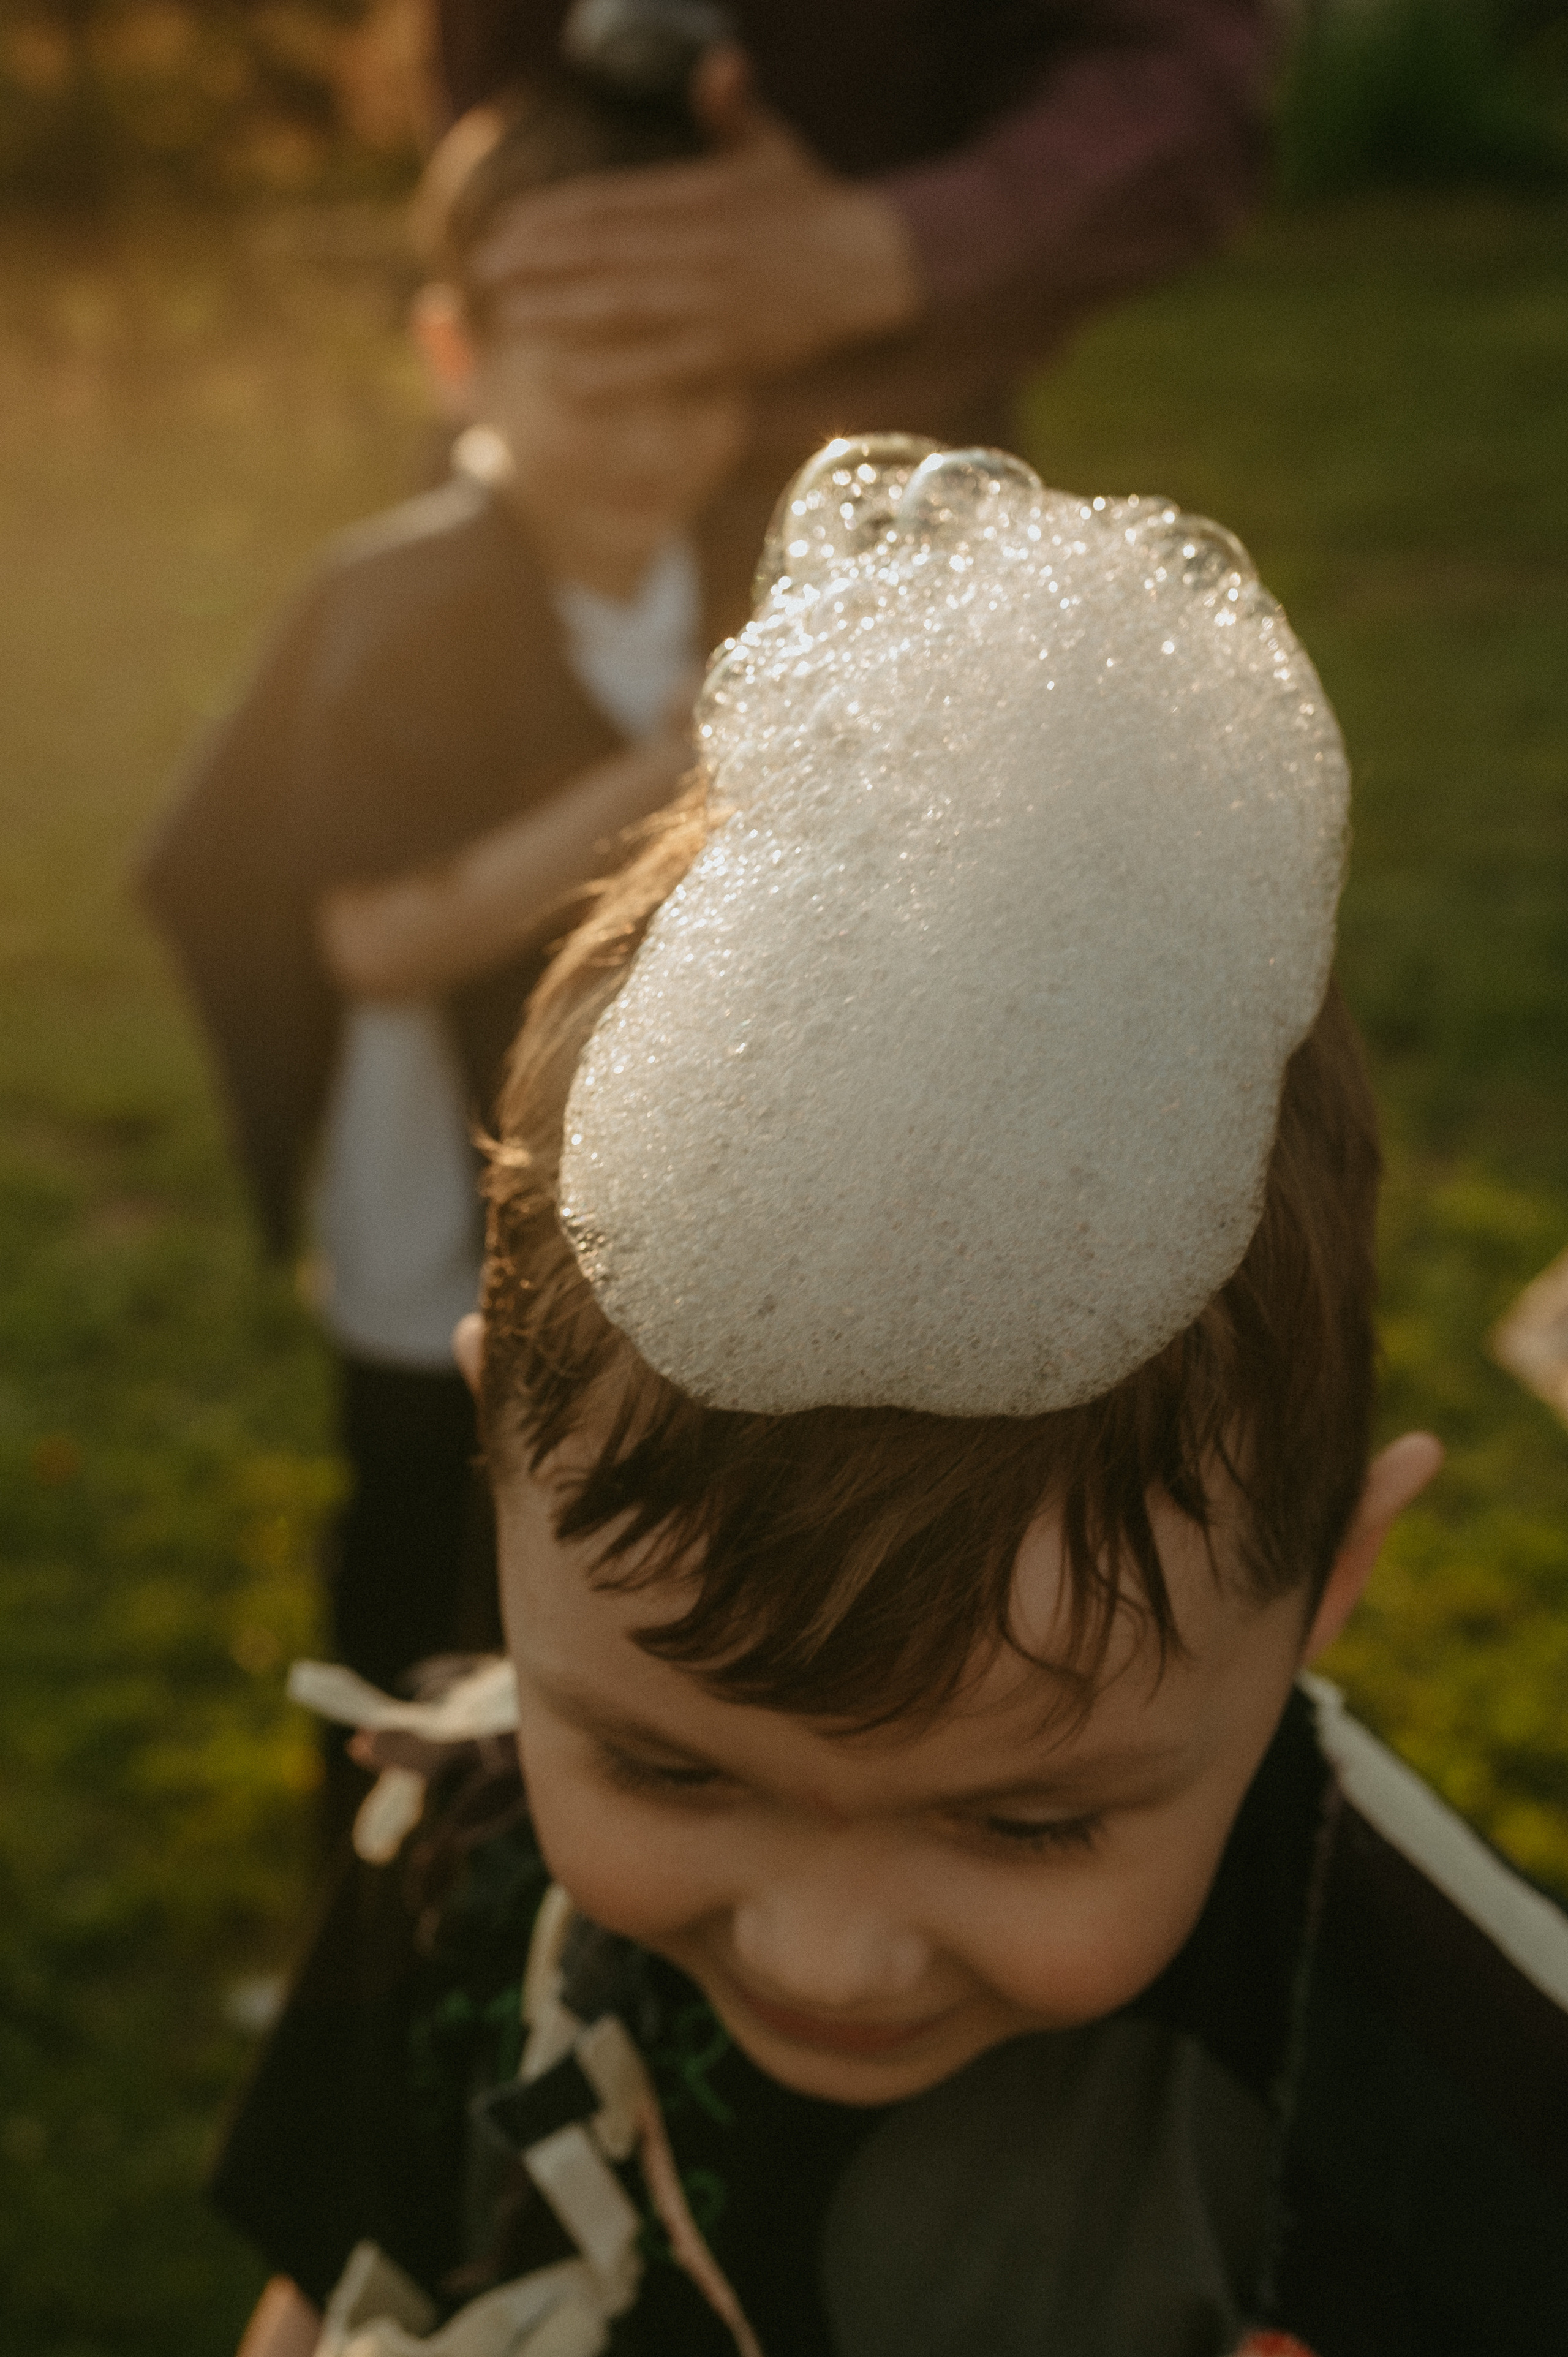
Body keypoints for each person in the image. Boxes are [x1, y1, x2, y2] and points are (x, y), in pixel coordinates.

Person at [215, 442, 1568, 2356]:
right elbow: (336, 2285)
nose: (823, 1955)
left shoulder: (1459, 2057)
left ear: (1329, 1589)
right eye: (670, 1766)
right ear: (491, 1483)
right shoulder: (456, 1847)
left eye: (1027, 1827)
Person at [141, 66, 743, 1827]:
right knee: (424, 1529)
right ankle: (379, 1857)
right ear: (459, 354)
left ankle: (577, 1828)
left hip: (653, 1175)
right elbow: (377, 933)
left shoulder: (735, 579)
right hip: (442, 1192)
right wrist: (666, 774)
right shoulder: (392, 602)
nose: (649, 434)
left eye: (691, 383)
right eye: (592, 385)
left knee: (623, 1513)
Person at [429, 0, 1286, 633]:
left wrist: (889, 250)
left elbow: (1180, 74)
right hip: (525, 483)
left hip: (887, 475)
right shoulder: (408, 613)